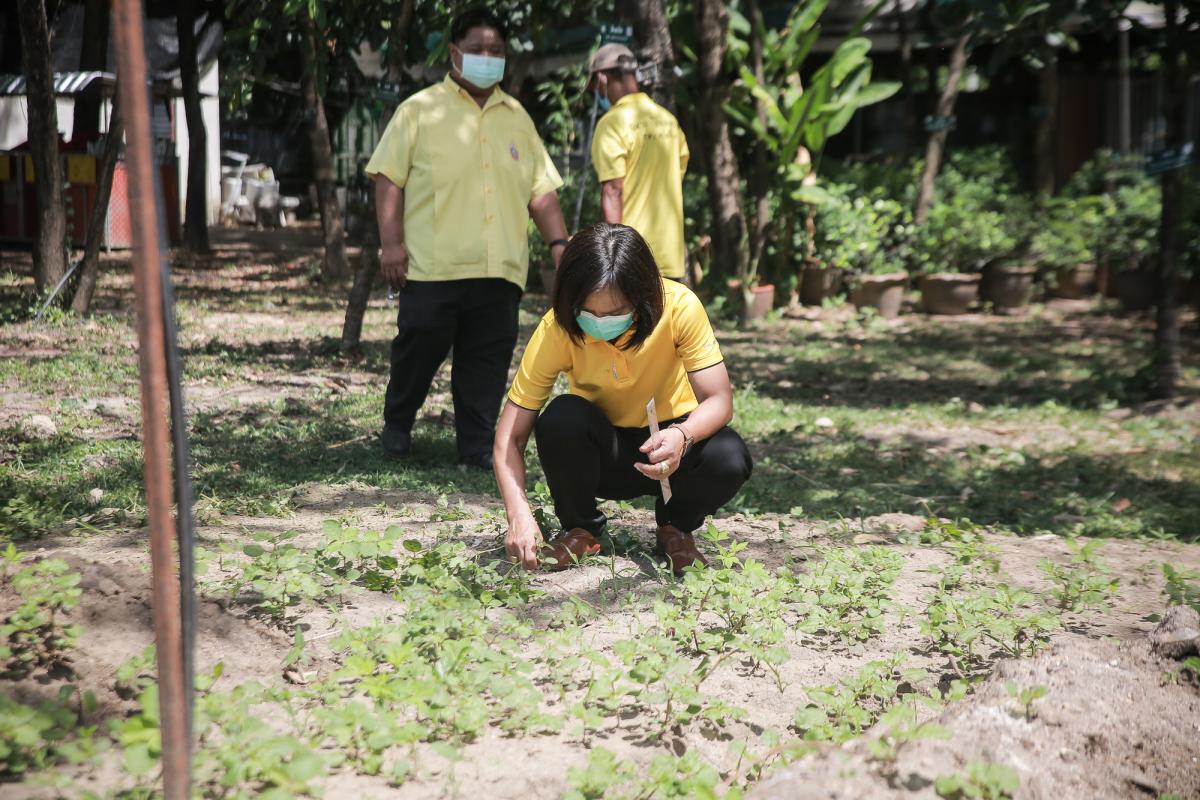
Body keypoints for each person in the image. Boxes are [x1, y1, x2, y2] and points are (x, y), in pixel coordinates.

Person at [365, 7, 570, 469]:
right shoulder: (419, 110)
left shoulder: (516, 117)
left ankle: (476, 446)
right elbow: (388, 179)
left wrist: (560, 247)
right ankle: (398, 424)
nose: (487, 58)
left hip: (500, 269)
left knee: (486, 363)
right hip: (432, 267)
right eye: (477, 50)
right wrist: (391, 244)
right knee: (416, 353)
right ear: (454, 53)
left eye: (495, 51)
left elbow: (541, 192)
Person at [493, 223, 753, 575]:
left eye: (615, 313)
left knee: (729, 456)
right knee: (561, 418)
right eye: (589, 312)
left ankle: (676, 528)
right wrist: (518, 513)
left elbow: (720, 400)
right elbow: (510, 436)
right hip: (604, 453)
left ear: (644, 297)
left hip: (672, 449)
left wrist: (681, 436)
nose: (600, 322)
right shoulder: (557, 327)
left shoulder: (679, 307)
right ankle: (581, 529)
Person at [587, 44, 690, 283]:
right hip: (671, 254)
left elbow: (613, 190)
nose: (596, 93)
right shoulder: (668, 120)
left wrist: (613, 257)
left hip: (633, 256)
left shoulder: (612, 123)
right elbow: (679, 171)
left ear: (602, 78)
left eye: (594, 87)